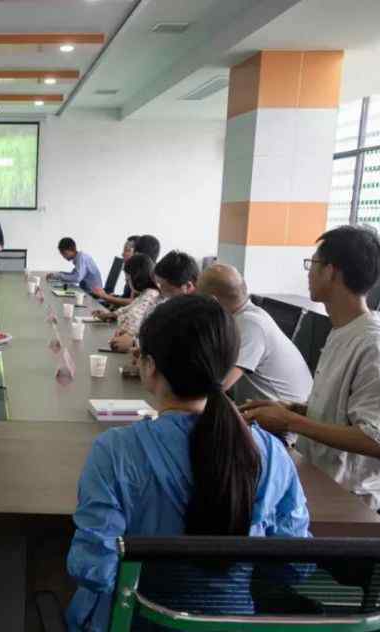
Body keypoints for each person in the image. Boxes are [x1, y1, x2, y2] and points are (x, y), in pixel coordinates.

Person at [67, 295, 310, 631]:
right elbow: (293, 567)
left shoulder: (116, 451)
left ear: (149, 367)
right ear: (226, 368)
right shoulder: (270, 453)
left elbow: (93, 568)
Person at [242, 226, 380, 510]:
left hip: (356, 501)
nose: (309, 272)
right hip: (322, 478)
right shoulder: (342, 331)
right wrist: (292, 409)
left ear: (332, 271)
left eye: (313, 264)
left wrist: (289, 422)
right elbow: (344, 412)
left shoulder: (373, 343)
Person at [198, 264, 313, 404]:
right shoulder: (240, 317)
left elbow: (221, 384)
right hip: (264, 410)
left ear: (212, 301)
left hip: (285, 416)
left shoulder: (250, 324)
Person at [107, 250, 199, 352]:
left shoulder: (197, 316)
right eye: (159, 284)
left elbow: (176, 349)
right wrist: (133, 338)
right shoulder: (173, 305)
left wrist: (133, 342)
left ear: (188, 286)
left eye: (165, 288)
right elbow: (158, 336)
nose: (160, 291)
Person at [90, 254, 162, 352]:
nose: (127, 282)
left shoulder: (151, 295)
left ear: (137, 278)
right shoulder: (145, 293)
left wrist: (129, 336)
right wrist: (110, 315)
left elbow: (136, 316)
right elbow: (129, 308)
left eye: (128, 279)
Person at [105, 234, 162, 308]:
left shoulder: (147, 277)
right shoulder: (134, 269)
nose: (122, 254)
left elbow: (135, 302)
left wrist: (106, 297)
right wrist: (115, 297)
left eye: (127, 250)